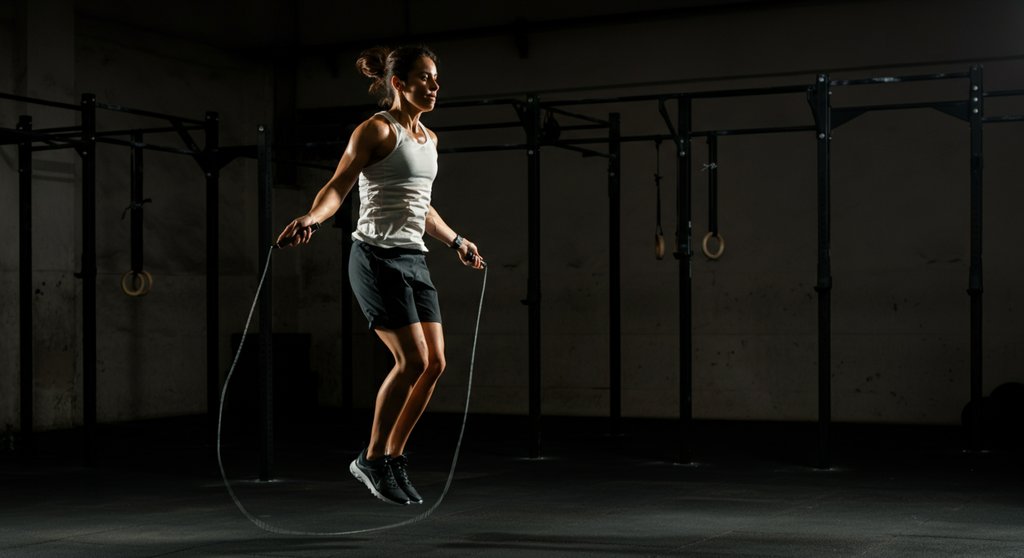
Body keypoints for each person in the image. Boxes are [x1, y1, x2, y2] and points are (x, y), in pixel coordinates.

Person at [276, 45, 485, 506]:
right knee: (411, 361)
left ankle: (392, 457)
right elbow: (339, 184)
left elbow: (421, 205)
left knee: (435, 364)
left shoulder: (430, 140)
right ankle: (372, 458)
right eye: (425, 78)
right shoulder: (375, 129)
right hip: (375, 257)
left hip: (414, 257)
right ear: (398, 83)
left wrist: (457, 241)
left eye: (436, 79)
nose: (434, 86)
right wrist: (312, 218)